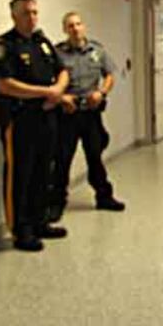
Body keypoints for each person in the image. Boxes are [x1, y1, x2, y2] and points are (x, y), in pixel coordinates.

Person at [0, 0, 69, 251]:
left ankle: (40, 221)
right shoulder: (1, 47)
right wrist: (47, 93)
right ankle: (21, 230)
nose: (32, 17)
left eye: (34, 12)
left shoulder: (42, 43)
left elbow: (62, 70)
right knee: (21, 174)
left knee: (44, 170)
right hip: (19, 121)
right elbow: (5, 85)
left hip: (47, 118)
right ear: (14, 16)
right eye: (26, 13)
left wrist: (58, 89)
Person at [50, 11, 125, 220]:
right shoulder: (58, 54)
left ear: (84, 27)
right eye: (70, 25)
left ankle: (104, 197)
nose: (75, 28)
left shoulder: (97, 50)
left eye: (78, 24)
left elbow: (109, 75)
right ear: (65, 30)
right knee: (62, 160)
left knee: (95, 156)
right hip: (68, 114)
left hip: (91, 114)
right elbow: (50, 81)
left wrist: (101, 92)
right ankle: (56, 203)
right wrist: (62, 97)